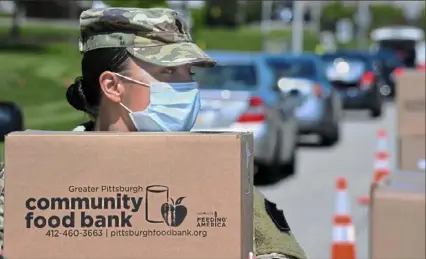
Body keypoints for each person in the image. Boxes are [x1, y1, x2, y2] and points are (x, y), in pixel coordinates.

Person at [0, 7, 306, 259]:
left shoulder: (216, 175)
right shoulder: (36, 176)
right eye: (168, 72)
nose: (188, 88)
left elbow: (285, 252)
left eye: (190, 74)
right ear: (113, 86)